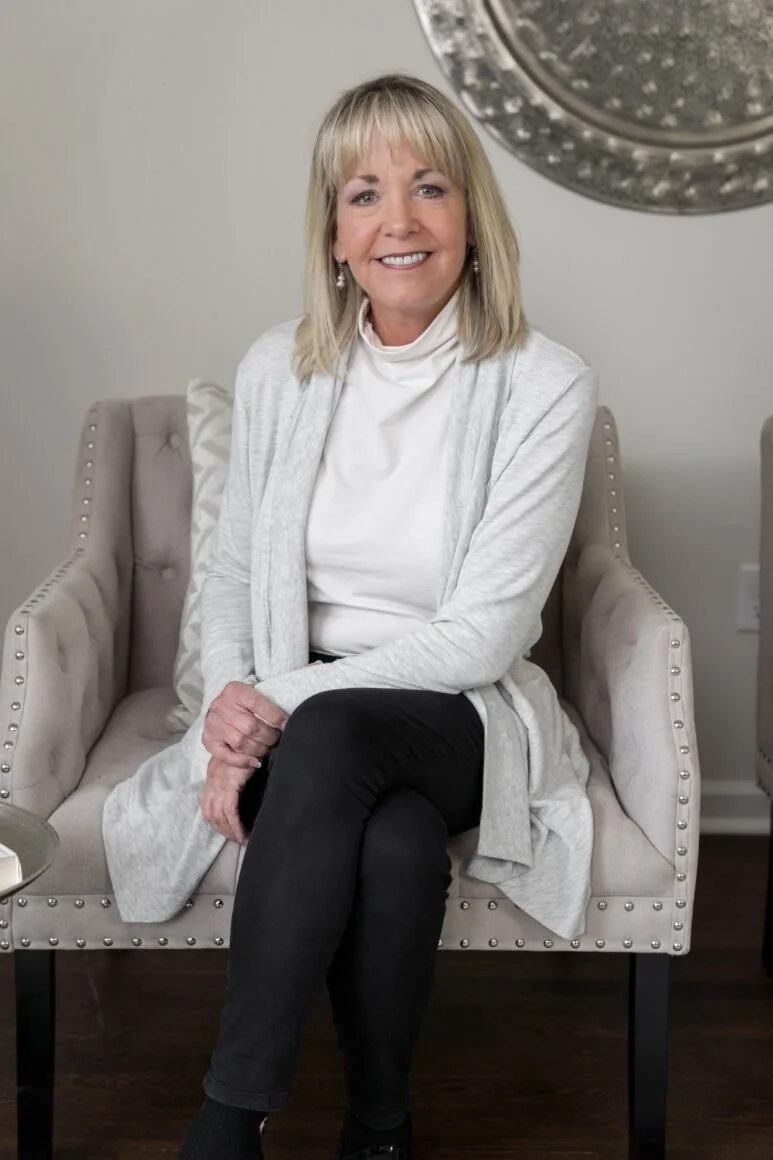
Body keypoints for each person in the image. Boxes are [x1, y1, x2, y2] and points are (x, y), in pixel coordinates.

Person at [111, 72, 599, 1160]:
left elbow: (483, 633)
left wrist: (267, 708)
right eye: (364, 194)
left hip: (457, 709)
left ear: (471, 214)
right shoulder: (278, 369)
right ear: (334, 234)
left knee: (335, 731)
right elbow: (231, 573)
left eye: (429, 187)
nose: (399, 221)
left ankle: (227, 1122)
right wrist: (231, 713)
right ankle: (379, 1128)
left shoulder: (544, 383)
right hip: (306, 714)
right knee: (395, 840)